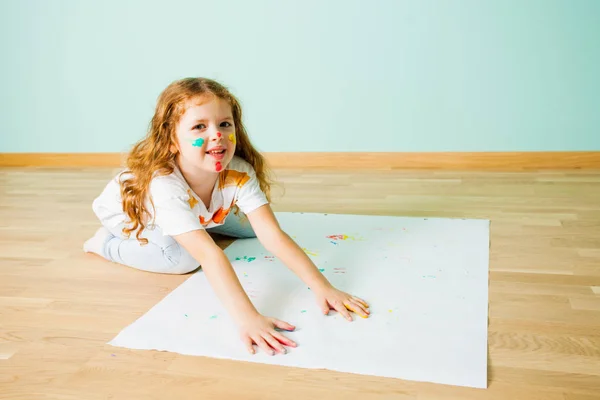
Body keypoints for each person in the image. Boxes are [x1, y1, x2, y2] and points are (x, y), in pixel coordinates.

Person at [83, 77, 370, 356]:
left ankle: (195, 226)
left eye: (224, 124)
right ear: (172, 140)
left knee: (250, 229)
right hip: (130, 216)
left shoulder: (238, 171)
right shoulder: (164, 185)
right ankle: (103, 244)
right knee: (184, 258)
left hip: (190, 210)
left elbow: (271, 234)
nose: (217, 134)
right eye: (199, 127)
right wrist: (248, 318)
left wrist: (323, 287)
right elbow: (210, 256)